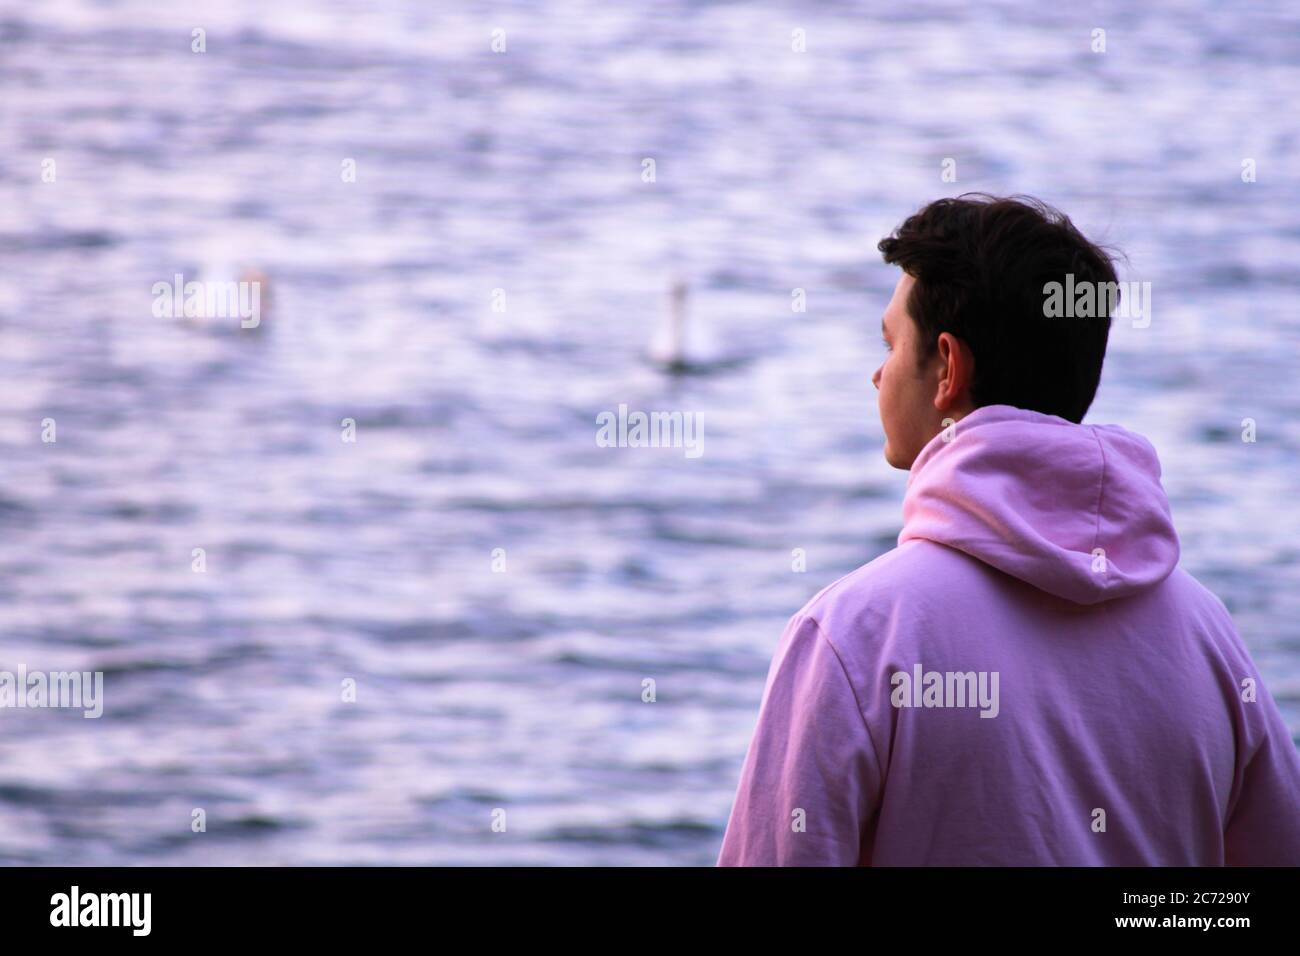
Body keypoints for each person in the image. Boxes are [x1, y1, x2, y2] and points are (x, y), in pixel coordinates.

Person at [716, 194, 1300, 865]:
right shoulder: (1210, 637)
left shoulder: (855, 636)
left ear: (947, 367)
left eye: (890, 344)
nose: (877, 373)